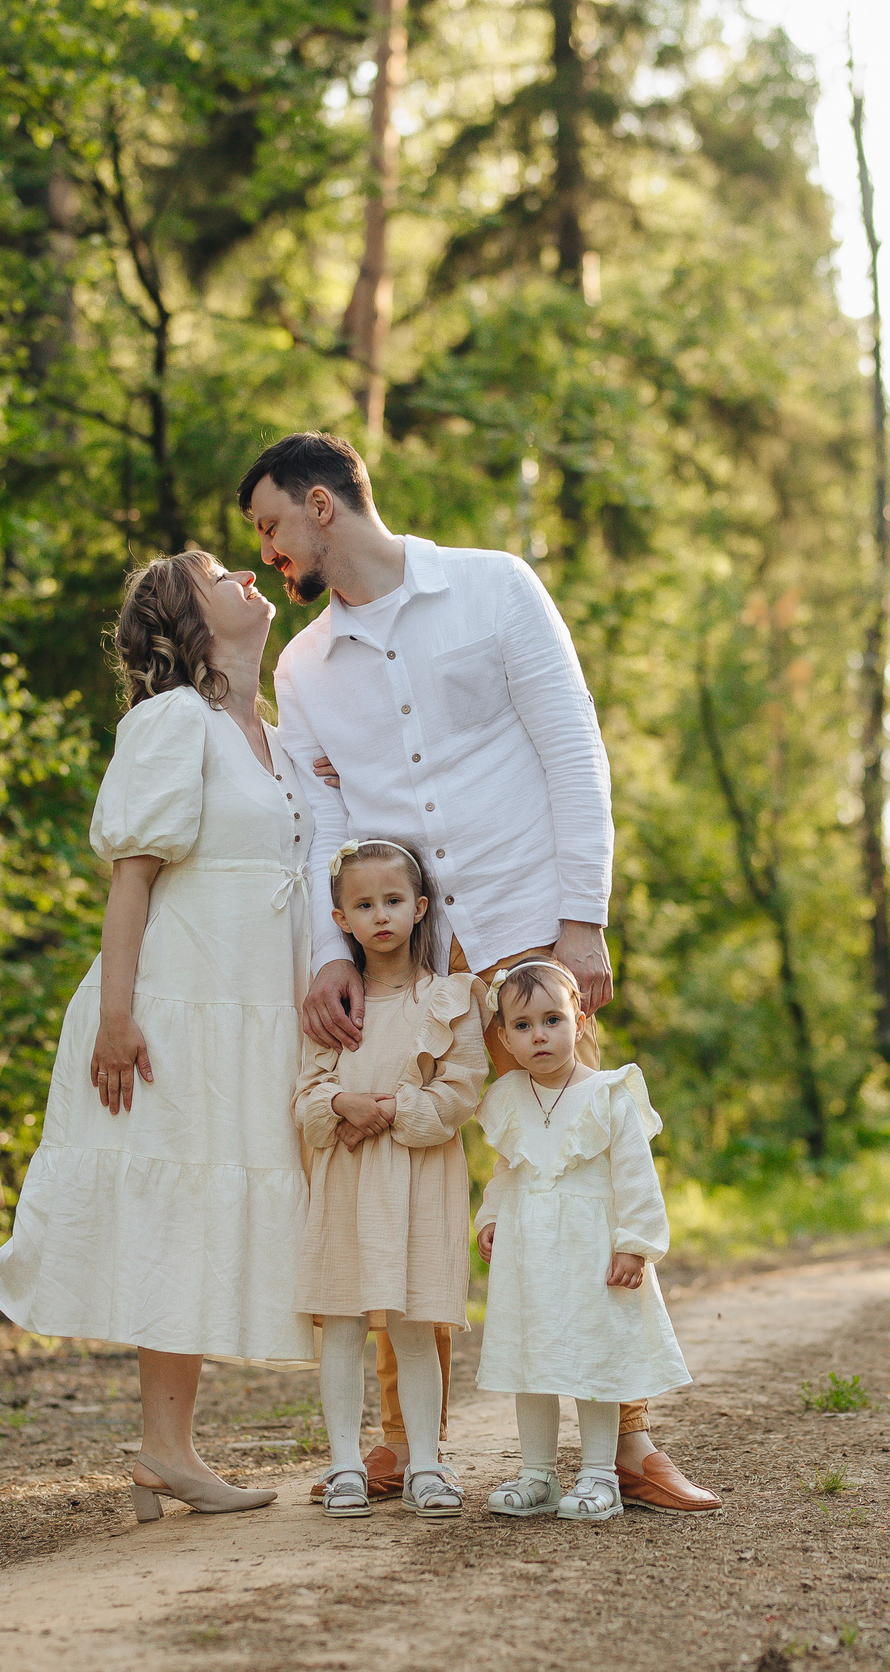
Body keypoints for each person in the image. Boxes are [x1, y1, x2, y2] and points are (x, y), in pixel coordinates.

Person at [249, 431, 722, 1516]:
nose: (269, 551)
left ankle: (629, 1441)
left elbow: (571, 747)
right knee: (398, 1186)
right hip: (400, 959)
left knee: (577, 1175)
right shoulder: (305, 667)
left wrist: (582, 919)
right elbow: (320, 817)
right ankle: (404, 1443)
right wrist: (332, 953)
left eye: (271, 524)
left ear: (321, 506)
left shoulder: (497, 588)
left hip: (525, 945)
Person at [0, 549, 316, 1523]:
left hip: (248, 1021)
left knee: (189, 1218)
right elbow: (133, 878)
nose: (249, 571)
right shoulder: (172, 723)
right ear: (187, 621)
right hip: (165, 1008)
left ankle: (167, 1453)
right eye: (218, 571)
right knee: (125, 1195)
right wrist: (118, 1019)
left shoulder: (278, 741)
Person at [294, 837, 487, 1519]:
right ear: (341, 917)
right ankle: (345, 1458)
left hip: (417, 1182)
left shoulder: (450, 1000)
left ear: (421, 907)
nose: (381, 915)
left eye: (394, 901)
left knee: (413, 1320)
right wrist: (341, 1106)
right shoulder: (333, 1006)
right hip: (346, 1184)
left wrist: (389, 1109)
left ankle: (425, 1462)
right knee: (343, 1321)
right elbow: (307, 1097)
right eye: (364, 904)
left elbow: (460, 1092)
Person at [471, 959, 691, 1522]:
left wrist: (633, 1243)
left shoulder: (609, 1093)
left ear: (582, 1021)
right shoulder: (508, 1096)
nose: (539, 1034)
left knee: (597, 1353)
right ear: (504, 1038)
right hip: (530, 1250)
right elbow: (506, 1170)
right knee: (532, 1355)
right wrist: (490, 1218)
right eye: (522, 1026)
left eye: (552, 1019)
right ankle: (538, 1472)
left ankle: (599, 1474)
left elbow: (636, 1175)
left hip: (592, 1250)